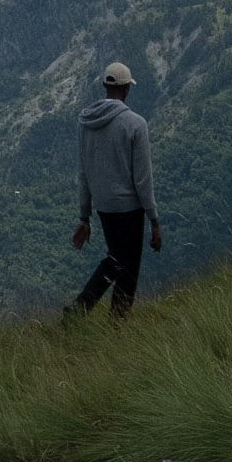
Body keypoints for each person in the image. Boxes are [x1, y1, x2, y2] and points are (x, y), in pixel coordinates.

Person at [68, 60, 162, 317]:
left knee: (117, 260)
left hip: (103, 207)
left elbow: (83, 172)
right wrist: (153, 218)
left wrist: (84, 216)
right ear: (127, 89)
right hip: (129, 208)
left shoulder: (86, 122)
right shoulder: (135, 124)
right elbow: (143, 179)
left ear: (105, 87)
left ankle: (82, 312)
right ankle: (108, 321)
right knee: (127, 268)